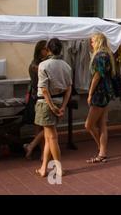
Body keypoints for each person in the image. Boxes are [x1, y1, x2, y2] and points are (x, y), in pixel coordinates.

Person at [34, 38, 72, 178]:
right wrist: (62, 106)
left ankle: (59, 168)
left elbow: (44, 89)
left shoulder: (43, 65)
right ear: (60, 49)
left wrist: (52, 107)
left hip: (46, 103)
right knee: (49, 136)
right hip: (58, 101)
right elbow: (69, 89)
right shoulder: (66, 66)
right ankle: (44, 168)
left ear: (48, 50)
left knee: (52, 137)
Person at [85, 32, 116, 163]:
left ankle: (101, 149)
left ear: (97, 42)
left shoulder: (99, 56)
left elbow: (96, 77)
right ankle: (102, 151)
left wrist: (90, 94)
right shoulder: (107, 54)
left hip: (99, 93)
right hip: (105, 92)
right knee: (102, 124)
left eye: (92, 41)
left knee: (89, 124)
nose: (91, 44)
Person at [23, 40, 48, 160]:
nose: (47, 51)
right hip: (37, 97)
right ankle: (37, 150)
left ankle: (35, 150)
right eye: (44, 49)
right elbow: (42, 81)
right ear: (39, 51)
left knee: (40, 126)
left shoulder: (43, 63)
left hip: (38, 96)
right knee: (44, 126)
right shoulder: (36, 65)